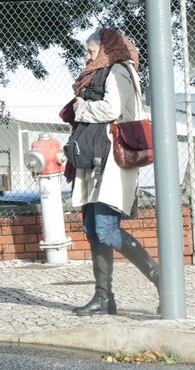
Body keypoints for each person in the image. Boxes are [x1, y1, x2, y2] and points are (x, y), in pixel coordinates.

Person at [65, 28, 159, 316]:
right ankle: (103, 297)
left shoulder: (118, 70)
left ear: (105, 49)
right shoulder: (101, 72)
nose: (87, 57)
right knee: (93, 230)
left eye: (91, 51)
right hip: (94, 159)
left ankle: (163, 281)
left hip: (111, 160)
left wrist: (81, 108)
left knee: (105, 230)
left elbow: (112, 108)